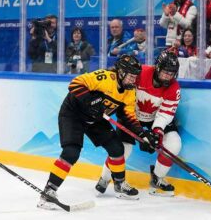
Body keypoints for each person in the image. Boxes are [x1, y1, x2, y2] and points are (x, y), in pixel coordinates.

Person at [38, 55, 149, 209]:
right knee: (71, 152)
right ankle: (49, 192)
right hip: (73, 114)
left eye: (136, 77)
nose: (133, 80)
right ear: (121, 72)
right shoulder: (105, 78)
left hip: (95, 119)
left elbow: (129, 116)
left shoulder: (129, 92)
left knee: (117, 148)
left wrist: (142, 134)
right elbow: (75, 83)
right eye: (131, 76)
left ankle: (120, 185)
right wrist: (89, 100)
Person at [96, 51, 181, 197]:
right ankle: (105, 178)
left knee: (174, 144)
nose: (168, 76)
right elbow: (123, 92)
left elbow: (165, 114)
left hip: (155, 119)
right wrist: (140, 132)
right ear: (158, 68)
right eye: (166, 72)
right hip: (132, 115)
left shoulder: (174, 88)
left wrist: (157, 133)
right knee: (122, 150)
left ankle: (157, 178)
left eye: (172, 73)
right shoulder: (140, 74)